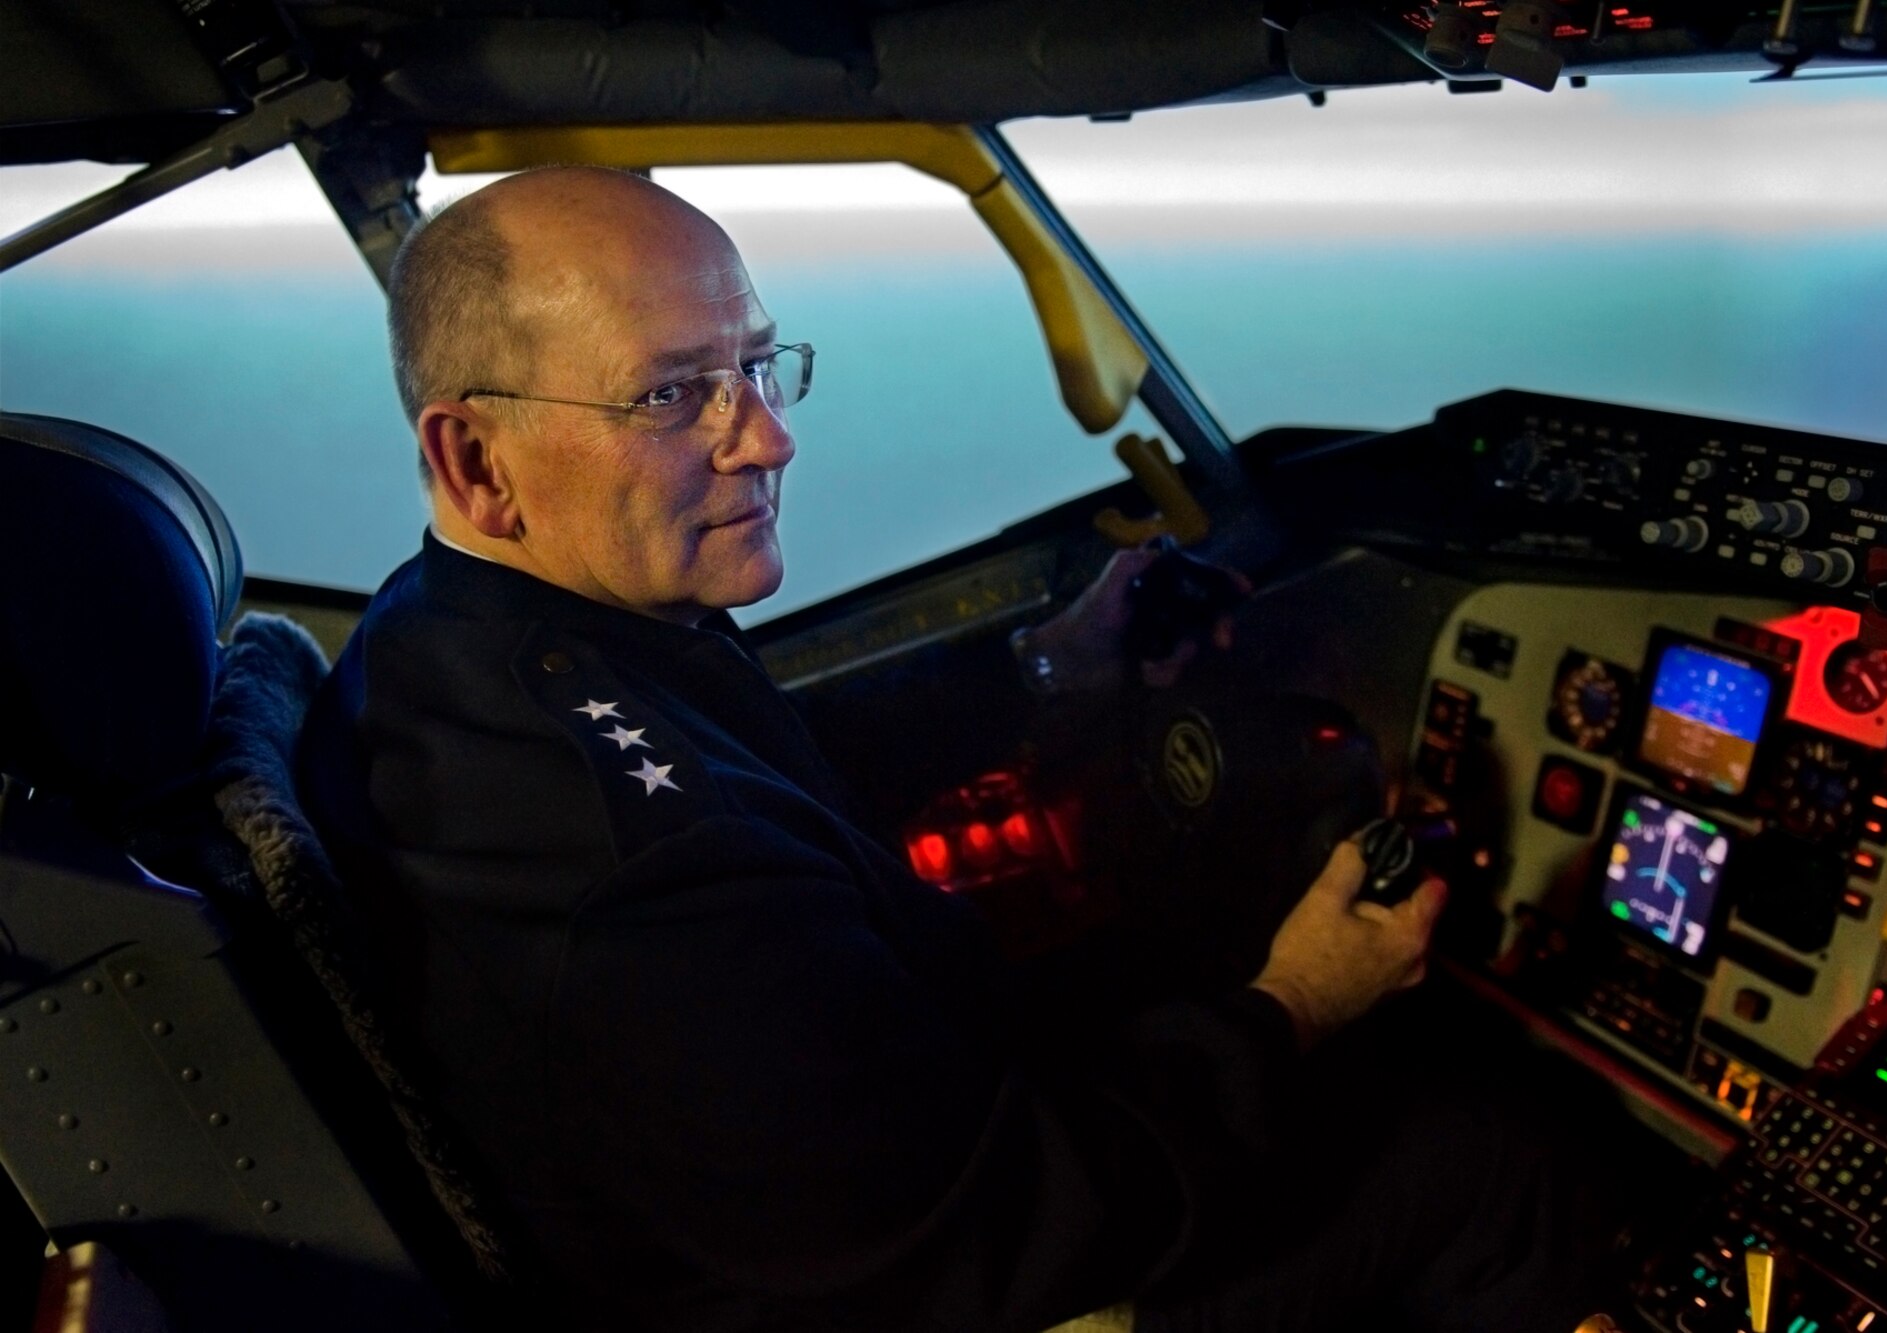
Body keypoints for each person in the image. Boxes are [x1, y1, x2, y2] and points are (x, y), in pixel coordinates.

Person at [297, 165, 1613, 1332]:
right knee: (1482, 1161)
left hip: (832, 1195)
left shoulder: (465, 636)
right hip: (912, 1287)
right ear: (474, 458)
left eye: (757, 364)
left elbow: (771, 765)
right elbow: (982, 1239)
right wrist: (1300, 1003)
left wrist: (1044, 670)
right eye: (672, 393)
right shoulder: (620, 865)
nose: (767, 435)